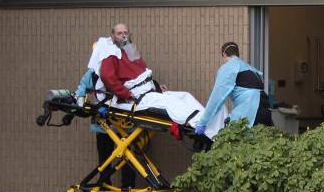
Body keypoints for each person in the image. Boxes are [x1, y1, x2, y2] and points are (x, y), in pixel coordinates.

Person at [89, 23, 227, 140]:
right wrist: (125, 94)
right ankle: (202, 126)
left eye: (126, 33)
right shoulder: (110, 54)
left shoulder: (128, 50)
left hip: (147, 92)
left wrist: (156, 87)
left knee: (184, 95)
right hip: (135, 98)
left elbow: (141, 74)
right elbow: (108, 77)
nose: (124, 36)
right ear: (112, 36)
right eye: (120, 33)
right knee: (173, 103)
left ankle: (207, 118)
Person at [194, 42, 273, 136]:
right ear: (237, 53)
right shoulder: (252, 68)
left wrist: (202, 122)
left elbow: (217, 98)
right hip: (265, 107)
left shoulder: (228, 67)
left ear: (224, 54)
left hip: (250, 109)